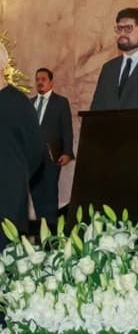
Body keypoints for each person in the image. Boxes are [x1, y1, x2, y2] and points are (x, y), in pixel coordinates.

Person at [0, 44, 41, 249]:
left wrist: (15, 175)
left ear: (3, 66)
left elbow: (35, 152)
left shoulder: (19, 103)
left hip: (8, 193)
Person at [30, 67, 73, 230]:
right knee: (36, 194)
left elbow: (67, 129)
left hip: (51, 156)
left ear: (51, 81)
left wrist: (67, 152)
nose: (40, 82)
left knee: (49, 193)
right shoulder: (30, 103)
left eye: (43, 79)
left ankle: (52, 232)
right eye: (37, 79)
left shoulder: (61, 102)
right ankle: (41, 229)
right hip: (32, 158)